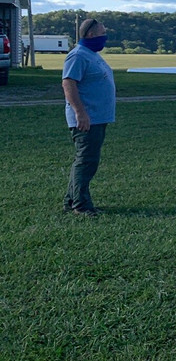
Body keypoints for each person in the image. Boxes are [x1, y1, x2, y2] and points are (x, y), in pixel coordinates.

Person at [61, 18, 116, 216]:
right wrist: (80, 113)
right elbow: (68, 83)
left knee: (86, 160)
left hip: (98, 118)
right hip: (86, 119)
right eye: (103, 33)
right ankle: (81, 205)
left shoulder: (91, 54)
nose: (105, 37)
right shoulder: (77, 56)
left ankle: (71, 200)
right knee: (86, 161)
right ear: (91, 35)